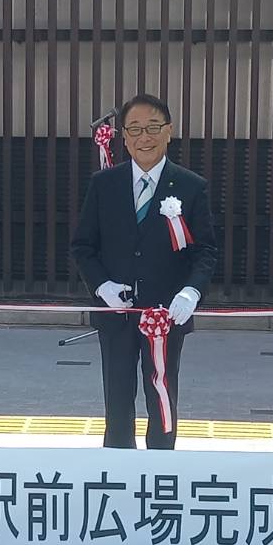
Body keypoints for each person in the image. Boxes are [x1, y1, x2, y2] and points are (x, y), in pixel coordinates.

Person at [70, 94, 217, 449]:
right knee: (117, 400)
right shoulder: (105, 184)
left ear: (169, 132)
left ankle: (160, 471)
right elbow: (83, 246)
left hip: (167, 313)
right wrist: (101, 286)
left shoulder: (190, 186)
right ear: (123, 135)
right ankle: (118, 472)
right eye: (134, 129)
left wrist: (190, 292)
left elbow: (206, 250)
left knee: (162, 397)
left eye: (153, 127)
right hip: (115, 315)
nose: (144, 137)